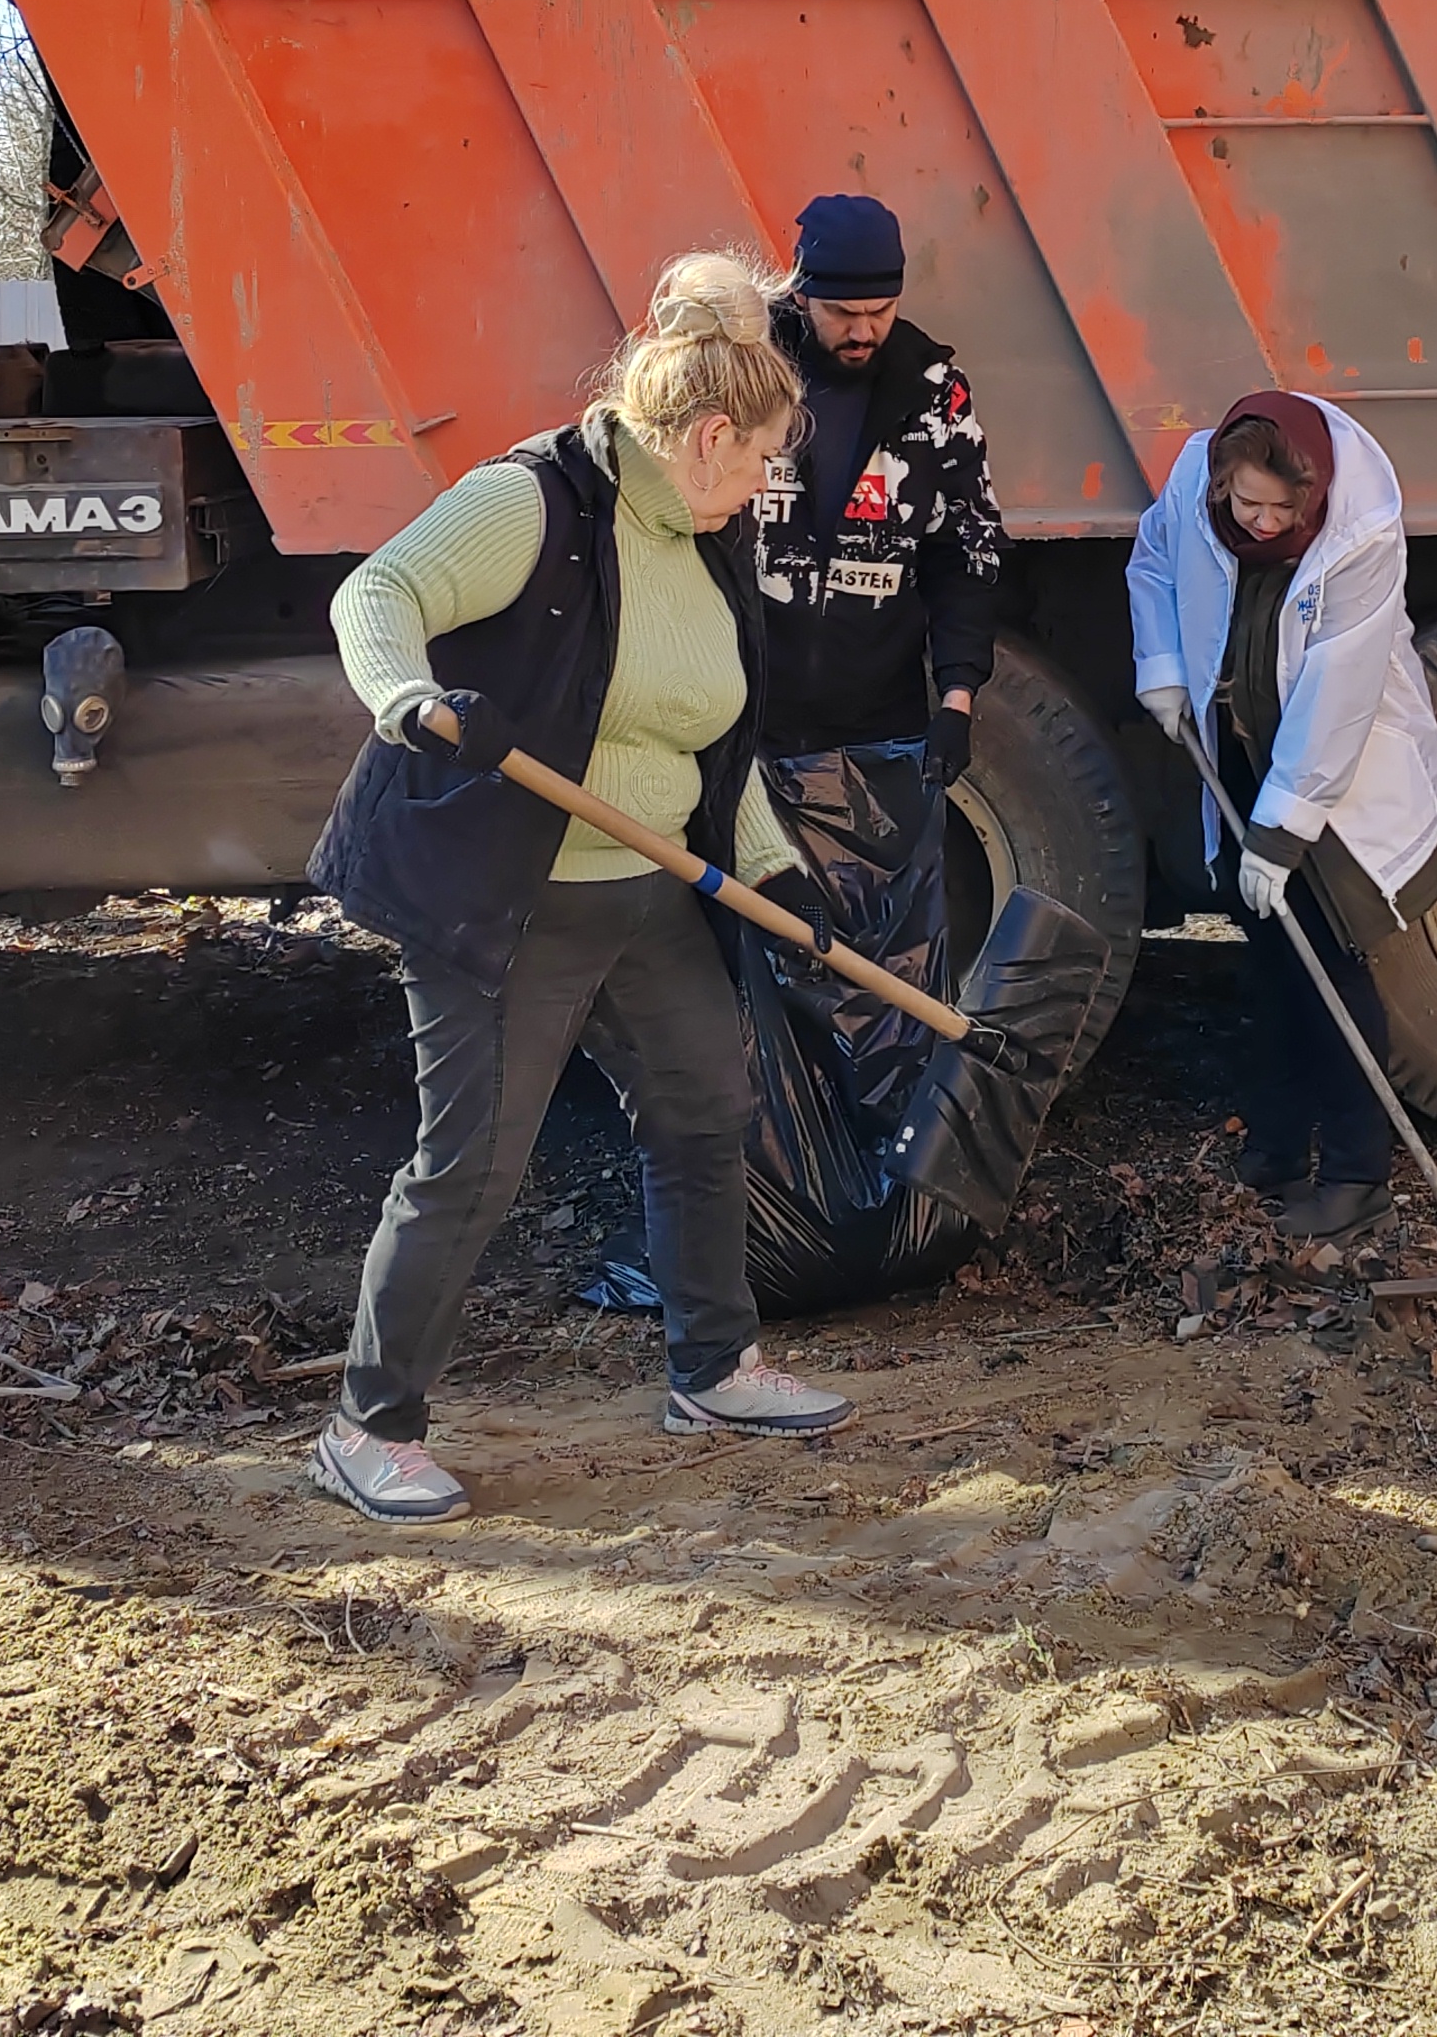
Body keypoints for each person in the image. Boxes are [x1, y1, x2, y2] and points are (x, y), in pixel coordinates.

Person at [302, 250, 853, 1525]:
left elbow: (711, 734)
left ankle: (713, 1370)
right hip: (508, 895)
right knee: (471, 1165)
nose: (769, 484)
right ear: (710, 435)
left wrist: (772, 863)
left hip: (648, 893)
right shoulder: (534, 501)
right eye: (765, 457)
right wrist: (410, 697)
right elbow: (373, 591)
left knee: (706, 1109)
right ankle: (365, 1428)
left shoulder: (703, 534)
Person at [1125, 390, 1437, 1238]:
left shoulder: (1361, 524)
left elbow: (1337, 693)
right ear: (1222, 480)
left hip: (1329, 767)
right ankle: (1274, 1147)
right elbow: (1155, 560)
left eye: (1281, 509)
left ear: (1310, 494)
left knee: (1328, 958)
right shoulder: (1196, 477)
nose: (1264, 524)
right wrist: (1160, 663)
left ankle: (1356, 1174)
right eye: (1247, 505)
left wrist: (1278, 834)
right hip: (1236, 737)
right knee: (1266, 955)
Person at [751, 192, 1007, 998]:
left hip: (881, 723)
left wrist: (958, 699)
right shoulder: (744, 376)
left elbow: (967, 550)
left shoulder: (938, 395)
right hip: (748, 721)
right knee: (765, 957)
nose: (863, 330)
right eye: (842, 312)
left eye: (881, 309)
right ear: (801, 295)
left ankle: (882, 1113)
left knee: (884, 959)